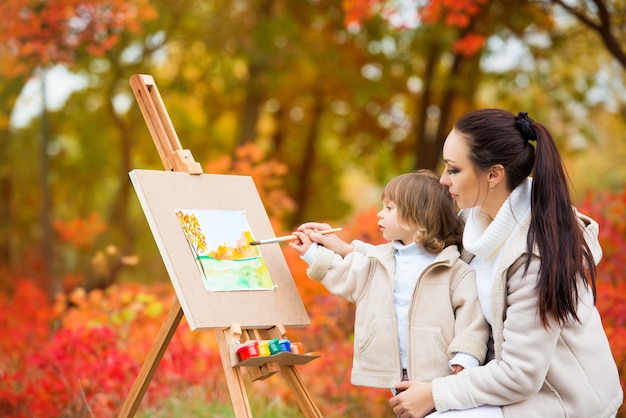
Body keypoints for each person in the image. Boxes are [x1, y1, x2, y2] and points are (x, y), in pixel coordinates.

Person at [306, 109, 623, 417]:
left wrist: (435, 393)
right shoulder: (472, 221)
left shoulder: (535, 254)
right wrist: (345, 250)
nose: (443, 180)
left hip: (560, 400)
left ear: (494, 174)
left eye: (454, 170)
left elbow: (521, 374)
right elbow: (415, 259)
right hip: (502, 386)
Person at [289, 170, 490, 395]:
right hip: (394, 371)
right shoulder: (380, 263)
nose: (379, 214)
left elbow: (472, 319)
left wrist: (466, 356)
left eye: (389, 208)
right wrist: (312, 253)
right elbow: (346, 273)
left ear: (417, 216)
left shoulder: (454, 270)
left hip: (440, 375)